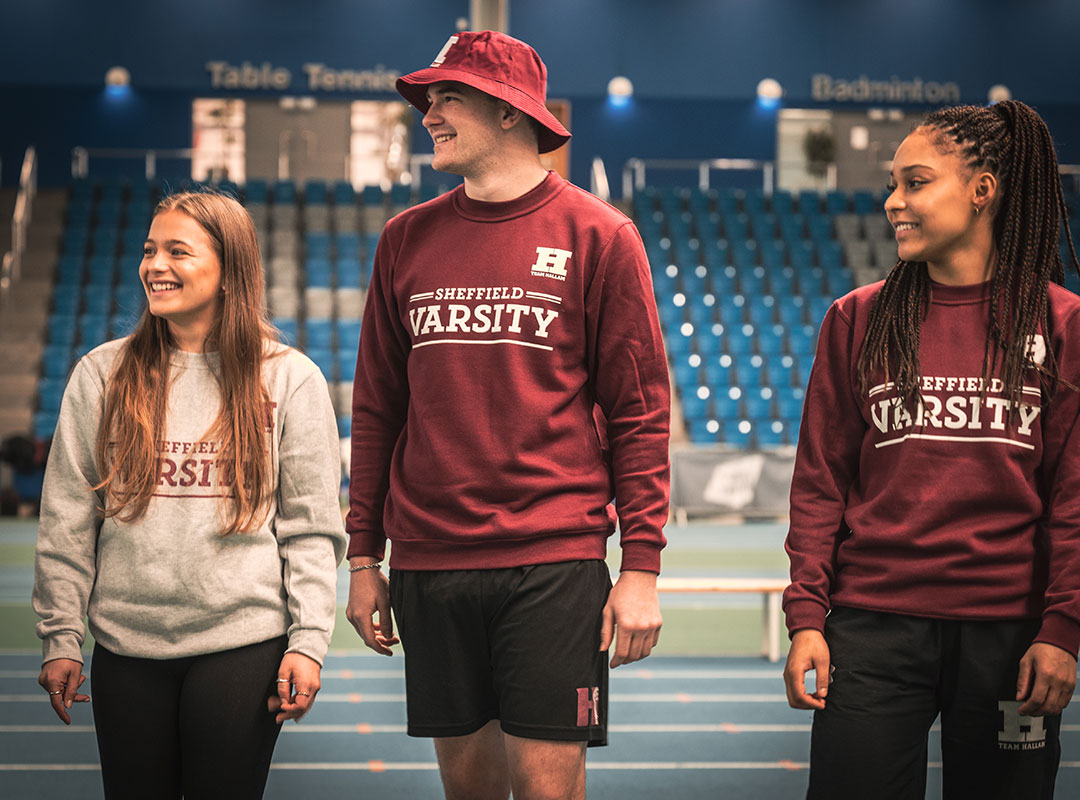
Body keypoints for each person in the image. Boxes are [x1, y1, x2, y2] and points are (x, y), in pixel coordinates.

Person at [345, 30, 670, 800]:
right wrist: (364, 557)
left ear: (511, 112)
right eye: (429, 99)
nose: (429, 113)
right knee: (471, 792)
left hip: (553, 561)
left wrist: (643, 568)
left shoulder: (601, 235)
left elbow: (639, 415)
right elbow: (376, 409)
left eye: (449, 96)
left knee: (549, 790)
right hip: (428, 560)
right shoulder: (405, 239)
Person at [782, 100, 1080, 799]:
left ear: (984, 190)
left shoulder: (1062, 325)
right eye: (893, 184)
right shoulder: (857, 319)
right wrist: (805, 618)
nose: (894, 202)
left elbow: (1073, 497)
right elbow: (821, 484)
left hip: (1010, 635)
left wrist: (1064, 628)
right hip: (872, 631)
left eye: (915, 182)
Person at [33, 190, 346, 799]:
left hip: (242, 643)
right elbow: (68, 517)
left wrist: (308, 643)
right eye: (150, 250)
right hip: (126, 644)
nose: (155, 265)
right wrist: (61, 634)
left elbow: (311, 528)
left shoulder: (288, 377)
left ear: (230, 270)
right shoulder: (102, 374)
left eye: (178, 250)